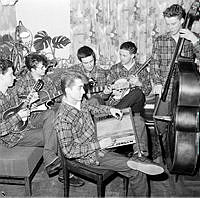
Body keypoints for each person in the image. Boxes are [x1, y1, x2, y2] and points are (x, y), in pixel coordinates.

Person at [54, 71, 165, 196]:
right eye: (80, 88)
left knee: (137, 121)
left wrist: (110, 109)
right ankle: (136, 162)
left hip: (99, 136)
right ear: (68, 91)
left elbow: (93, 108)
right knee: (137, 171)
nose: (84, 92)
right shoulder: (62, 118)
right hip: (91, 155)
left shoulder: (79, 102)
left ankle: (139, 155)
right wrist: (99, 145)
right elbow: (69, 151)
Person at [13, 53, 84, 186]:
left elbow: (55, 98)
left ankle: (64, 169)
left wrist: (66, 96)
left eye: (45, 66)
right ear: (32, 69)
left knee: (64, 120)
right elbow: (16, 106)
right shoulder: (21, 83)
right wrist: (29, 103)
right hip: (30, 117)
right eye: (41, 68)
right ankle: (64, 171)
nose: (45, 69)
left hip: (47, 114)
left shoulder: (47, 79)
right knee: (58, 127)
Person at [149, 4, 200, 155]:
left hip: (186, 93)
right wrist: (157, 83)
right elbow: (154, 64)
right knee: (160, 124)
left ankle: (183, 154)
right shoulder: (160, 40)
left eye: (173, 24)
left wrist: (195, 41)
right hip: (166, 89)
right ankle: (163, 153)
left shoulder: (192, 38)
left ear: (182, 20)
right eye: (167, 23)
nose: (170, 27)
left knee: (186, 126)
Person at [104, 41, 152, 157]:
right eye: (120, 54)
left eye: (124, 55)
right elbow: (105, 96)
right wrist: (108, 91)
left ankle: (112, 115)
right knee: (138, 122)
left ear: (133, 55)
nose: (121, 57)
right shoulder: (115, 69)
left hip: (135, 107)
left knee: (137, 92)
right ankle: (140, 155)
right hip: (119, 104)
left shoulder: (142, 69)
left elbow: (148, 91)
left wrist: (139, 83)